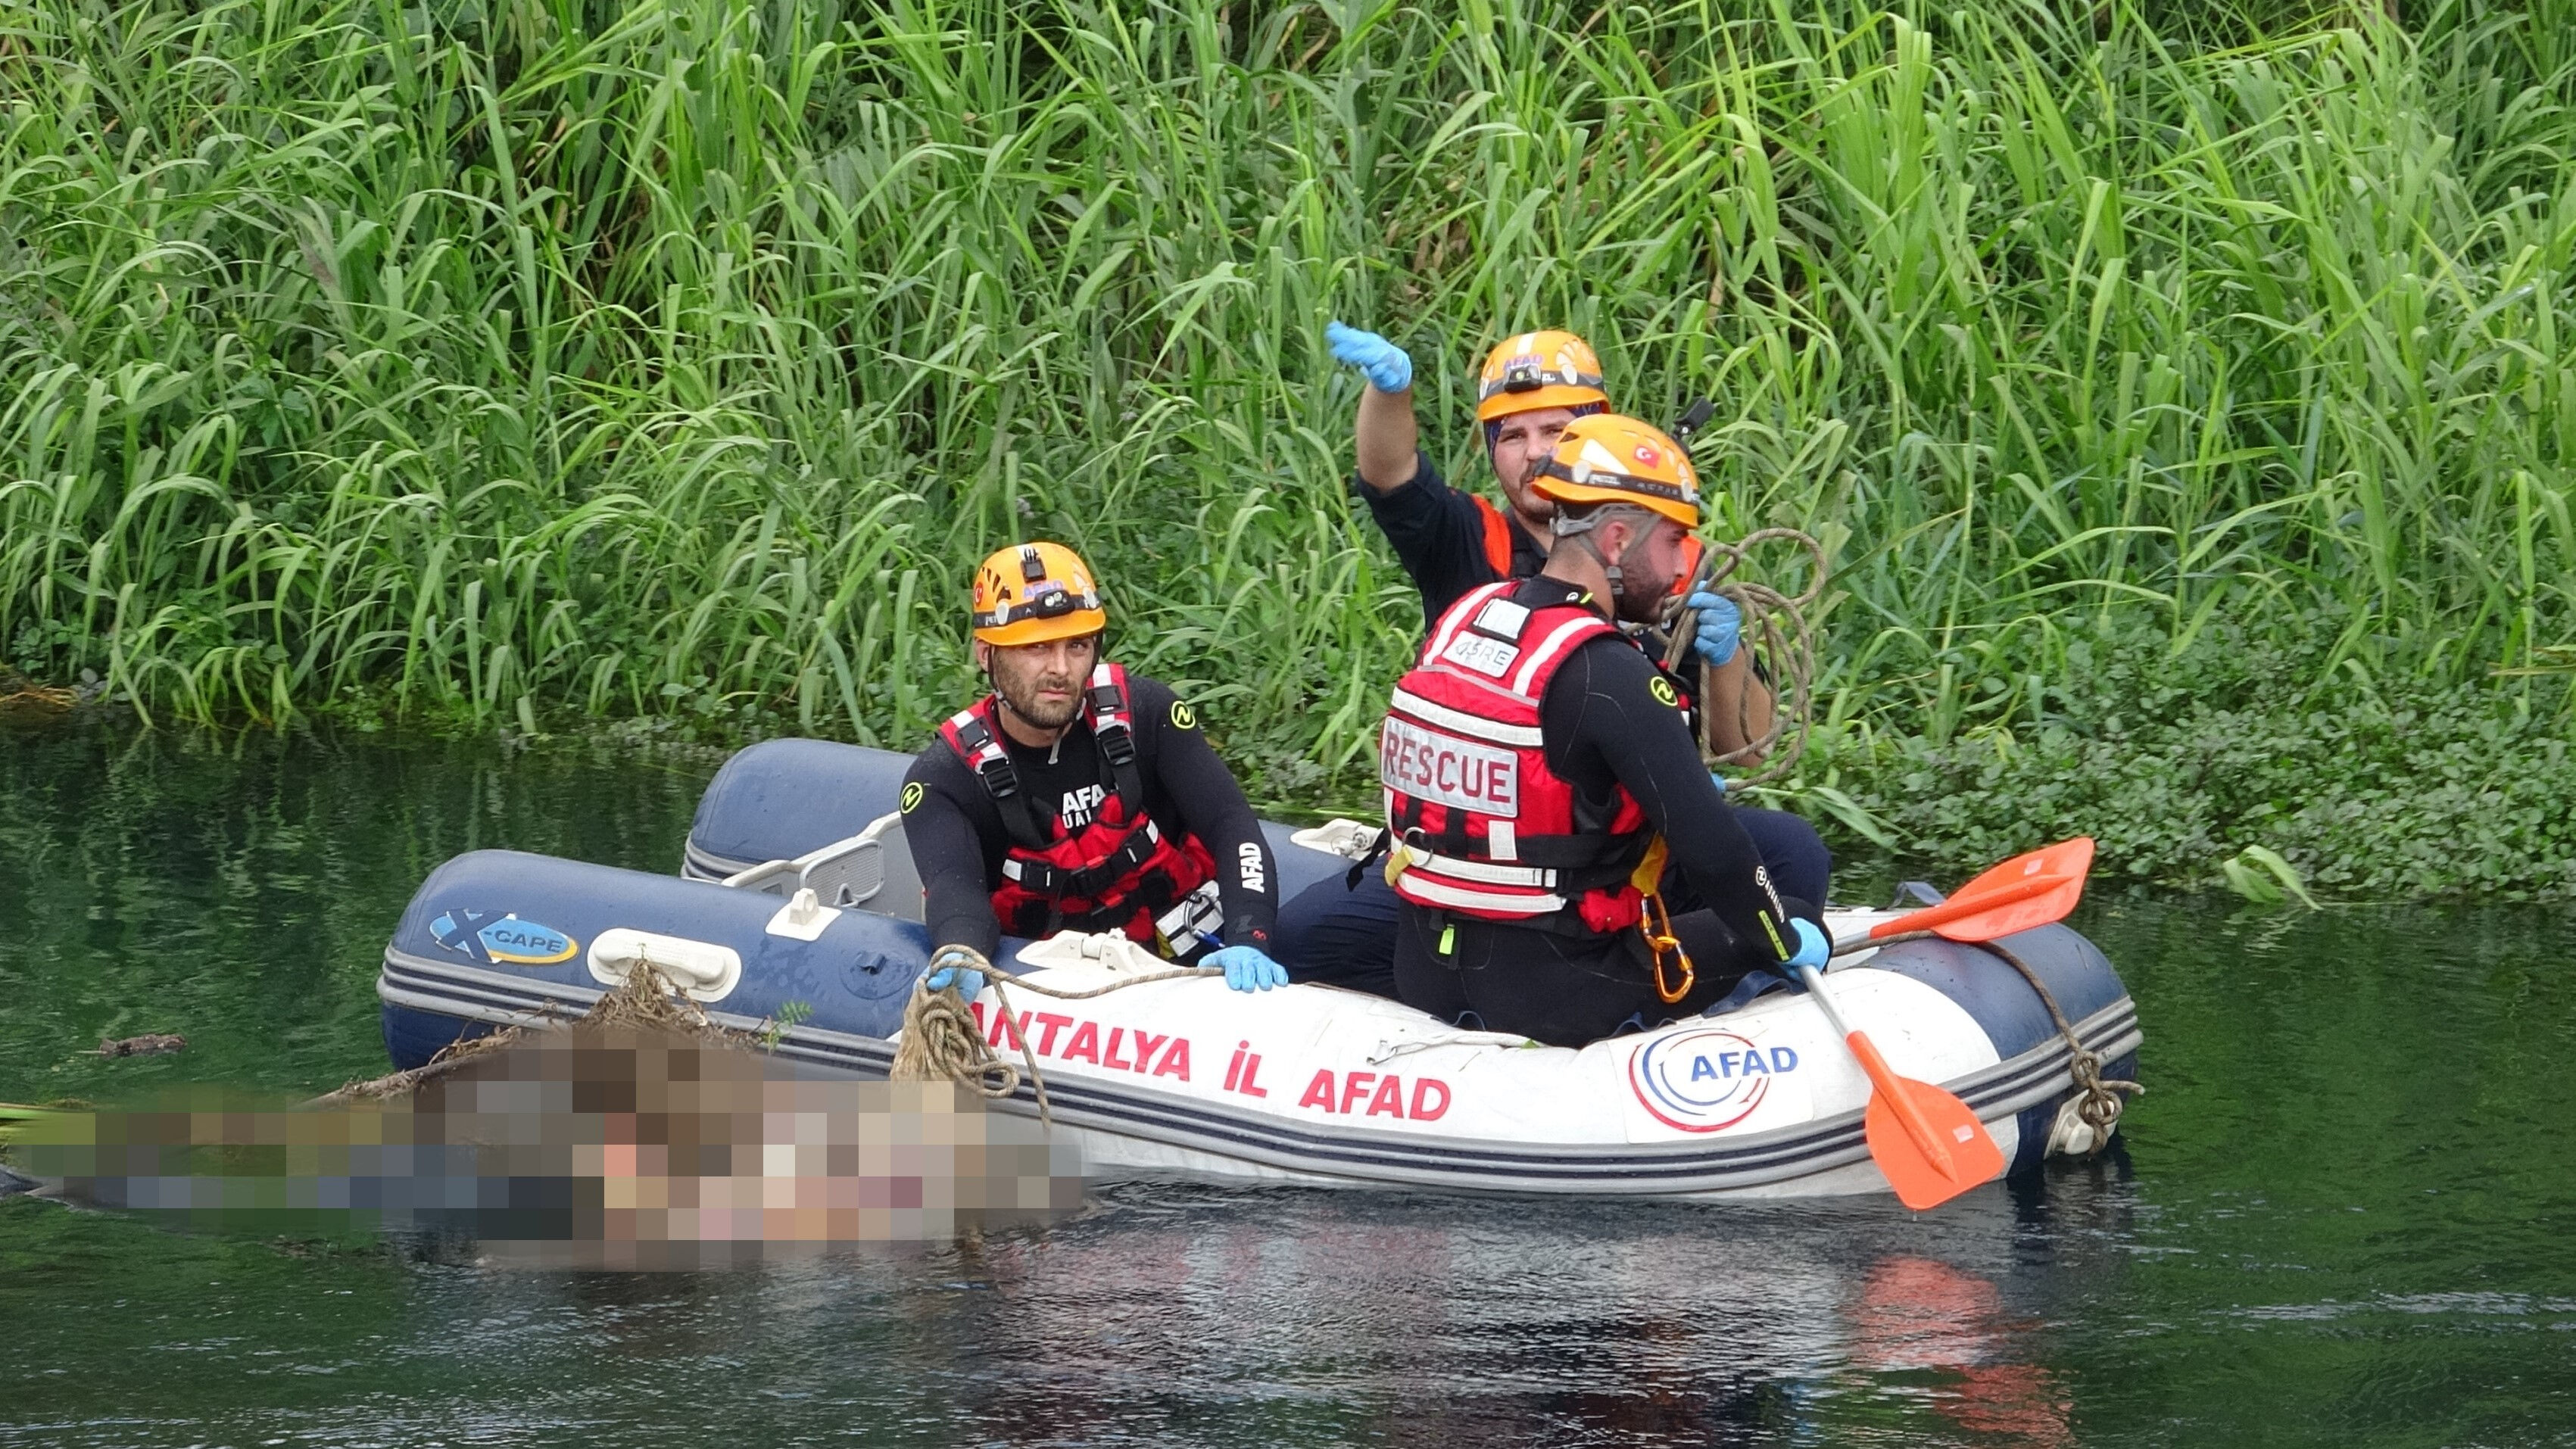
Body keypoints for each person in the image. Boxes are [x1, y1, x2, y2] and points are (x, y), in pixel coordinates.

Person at [1275, 323, 1830, 994]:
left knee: (1789, 852)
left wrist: (1727, 652)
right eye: (1513, 436)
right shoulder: (1468, 539)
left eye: (1555, 432)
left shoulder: (1668, 558)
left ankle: (1713, 995)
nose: (1535, 453)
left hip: (1616, 846)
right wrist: (1391, 392)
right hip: (1482, 848)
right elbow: (1390, 476)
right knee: (1303, 942)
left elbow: (1747, 752)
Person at [1379, 414, 1832, 1045]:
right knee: (1791, 917)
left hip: (1424, 967)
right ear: (1617, 541)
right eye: (1673, 540)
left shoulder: (1466, 616)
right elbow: (1718, 854)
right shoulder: (1608, 672)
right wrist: (1785, 934)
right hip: (1553, 989)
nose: (1682, 565)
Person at [902, 542, 1288, 999]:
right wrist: (961, 951)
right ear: (986, 654)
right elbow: (954, 888)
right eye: (1036, 648)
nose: (1061, 669)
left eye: (1078, 645)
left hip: (1188, 954)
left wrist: (1250, 936)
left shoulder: (1148, 714)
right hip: (1054, 987)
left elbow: (1232, 826)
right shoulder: (942, 779)